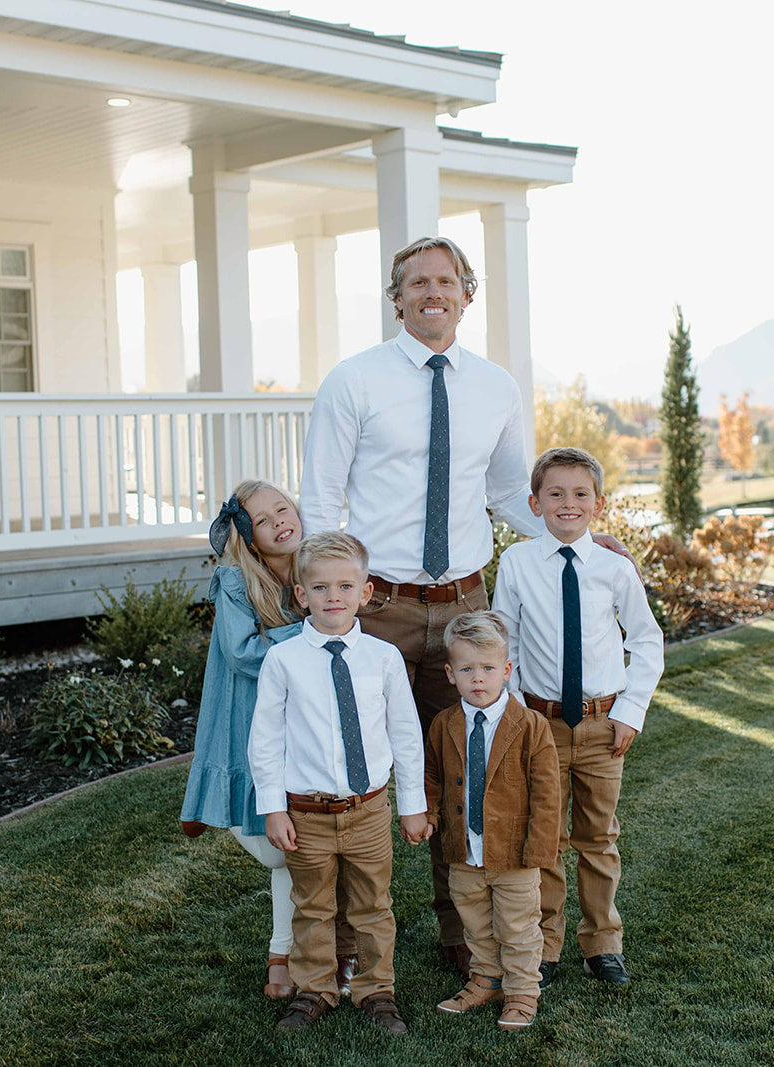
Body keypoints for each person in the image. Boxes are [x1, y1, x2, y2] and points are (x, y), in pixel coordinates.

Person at [298, 235, 634, 974]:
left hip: (466, 608)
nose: (432, 293)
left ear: (466, 294)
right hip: (376, 607)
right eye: (417, 282)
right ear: (397, 296)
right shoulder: (354, 380)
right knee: (362, 771)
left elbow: (513, 492)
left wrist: (586, 534)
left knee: (468, 770)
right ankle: (351, 944)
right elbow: (322, 498)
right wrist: (339, 597)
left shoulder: (495, 386)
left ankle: (465, 935)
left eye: (446, 281)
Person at [491, 447, 664, 988]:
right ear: (534, 502)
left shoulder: (615, 570)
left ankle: (603, 943)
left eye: (580, 493)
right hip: (538, 725)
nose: (568, 503)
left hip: (601, 726)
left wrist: (631, 712)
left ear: (599, 503)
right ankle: (543, 947)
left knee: (597, 837)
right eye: (556, 493)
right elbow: (506, 641)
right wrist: (517, 715)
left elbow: (646, 641)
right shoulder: (518, 564)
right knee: (544, 838)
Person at [177, 480, 355, 1001]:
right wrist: (309, 632)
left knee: (302, 846)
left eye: (284, 508)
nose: (280, 520)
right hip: (247, 720)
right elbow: (242, 654)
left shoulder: (314, 571)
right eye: (263, 519)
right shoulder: (236, 581)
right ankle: (296, 948)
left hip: (300, 721)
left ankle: (295, 954)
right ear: (248, 538)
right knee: (281, 849)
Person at [248, 532, 430, 1034]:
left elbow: (405, 735)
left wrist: (411, 804)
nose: (334, 597)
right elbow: (265, 739)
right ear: (302, 595)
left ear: (365, 593)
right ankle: (316, 990)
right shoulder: (283, 661)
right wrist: (274, 807)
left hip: (368, 808)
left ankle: (377, 990)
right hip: (305, 811)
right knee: (313, 906)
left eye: (345, 586)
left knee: (373, 904)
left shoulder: (383, 657)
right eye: (322, 588)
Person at [424, 610, 559, 1031]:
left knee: (518, 928)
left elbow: (548, 793)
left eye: (487, 669)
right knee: (476, 924)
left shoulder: (531, 726)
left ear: (506, 670)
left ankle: (522, 992)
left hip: (514, 854)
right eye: (467, 669)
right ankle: (486, 978)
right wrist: (429, 815)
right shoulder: (445, 725)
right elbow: (432, 776)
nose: (477, 679)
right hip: (465, 851)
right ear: (451, 674)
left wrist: (538, 851)